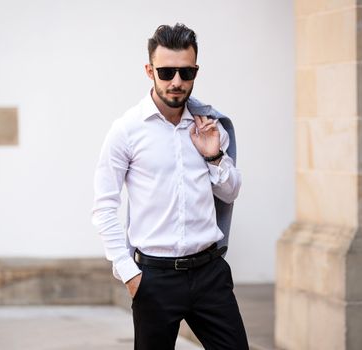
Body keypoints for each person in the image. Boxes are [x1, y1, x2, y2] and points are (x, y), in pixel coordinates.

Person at [92, 23, 248, 350]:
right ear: (149, 71)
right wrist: (129, 274)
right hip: (154, 279)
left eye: (185, 72)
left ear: (195, 71)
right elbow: (104, 205)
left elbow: (231, 193)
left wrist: (215, 156)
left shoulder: (210, 126)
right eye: (166, 72)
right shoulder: (127, 131)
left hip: (209, 274)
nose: (176, 82)